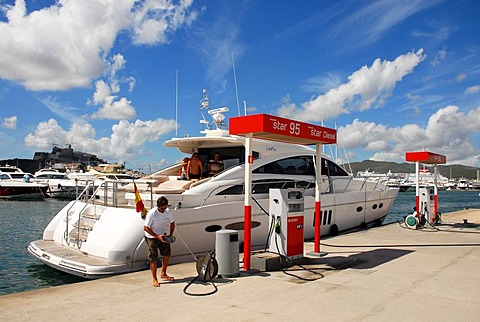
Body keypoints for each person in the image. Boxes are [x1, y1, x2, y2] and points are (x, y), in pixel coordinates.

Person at [144, 196, 176, 287]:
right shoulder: (152, 213)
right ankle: (154, 278)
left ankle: (163, 273)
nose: (164, 209)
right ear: (158, 206)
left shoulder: (167, 212)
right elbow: (146, 227)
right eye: (162, 208)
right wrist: (157, 236)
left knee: (167, 254)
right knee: (153, 257)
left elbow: (172, 223)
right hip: (151, 236)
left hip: (162, 234)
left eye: (165, 207)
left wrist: (170, 234)